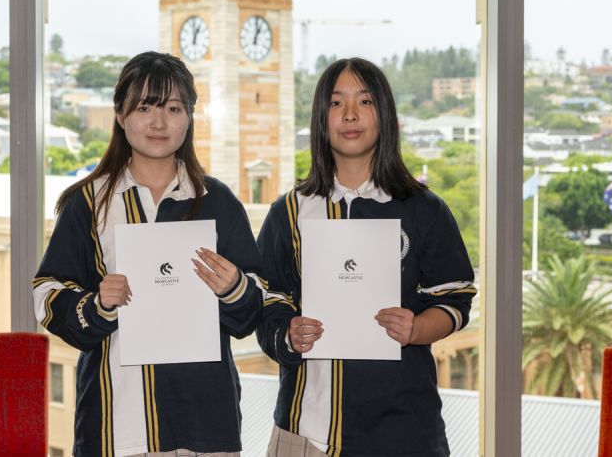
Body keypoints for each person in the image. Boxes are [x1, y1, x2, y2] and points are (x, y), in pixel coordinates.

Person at [33, 51, 264, 457]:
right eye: (145, 107)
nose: (159, 123)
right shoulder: (89, 203)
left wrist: (234, 288)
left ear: (190, 117)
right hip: (114, 424)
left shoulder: (218, 202)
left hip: (205, 424)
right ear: (120, 116)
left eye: (174, 108)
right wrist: (99, 303)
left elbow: (254, 308)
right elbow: (46, 294)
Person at [257, 57, 477, 456]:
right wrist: (289, 333)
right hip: (304, 432)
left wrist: (417, 328)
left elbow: (456, 300)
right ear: (321, 118)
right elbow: (268, 303)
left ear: (385, 115)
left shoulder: (424, 209)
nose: (351, 115)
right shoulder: (289, 212)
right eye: (336, 103)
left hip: (405, 430)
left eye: (365, 101)